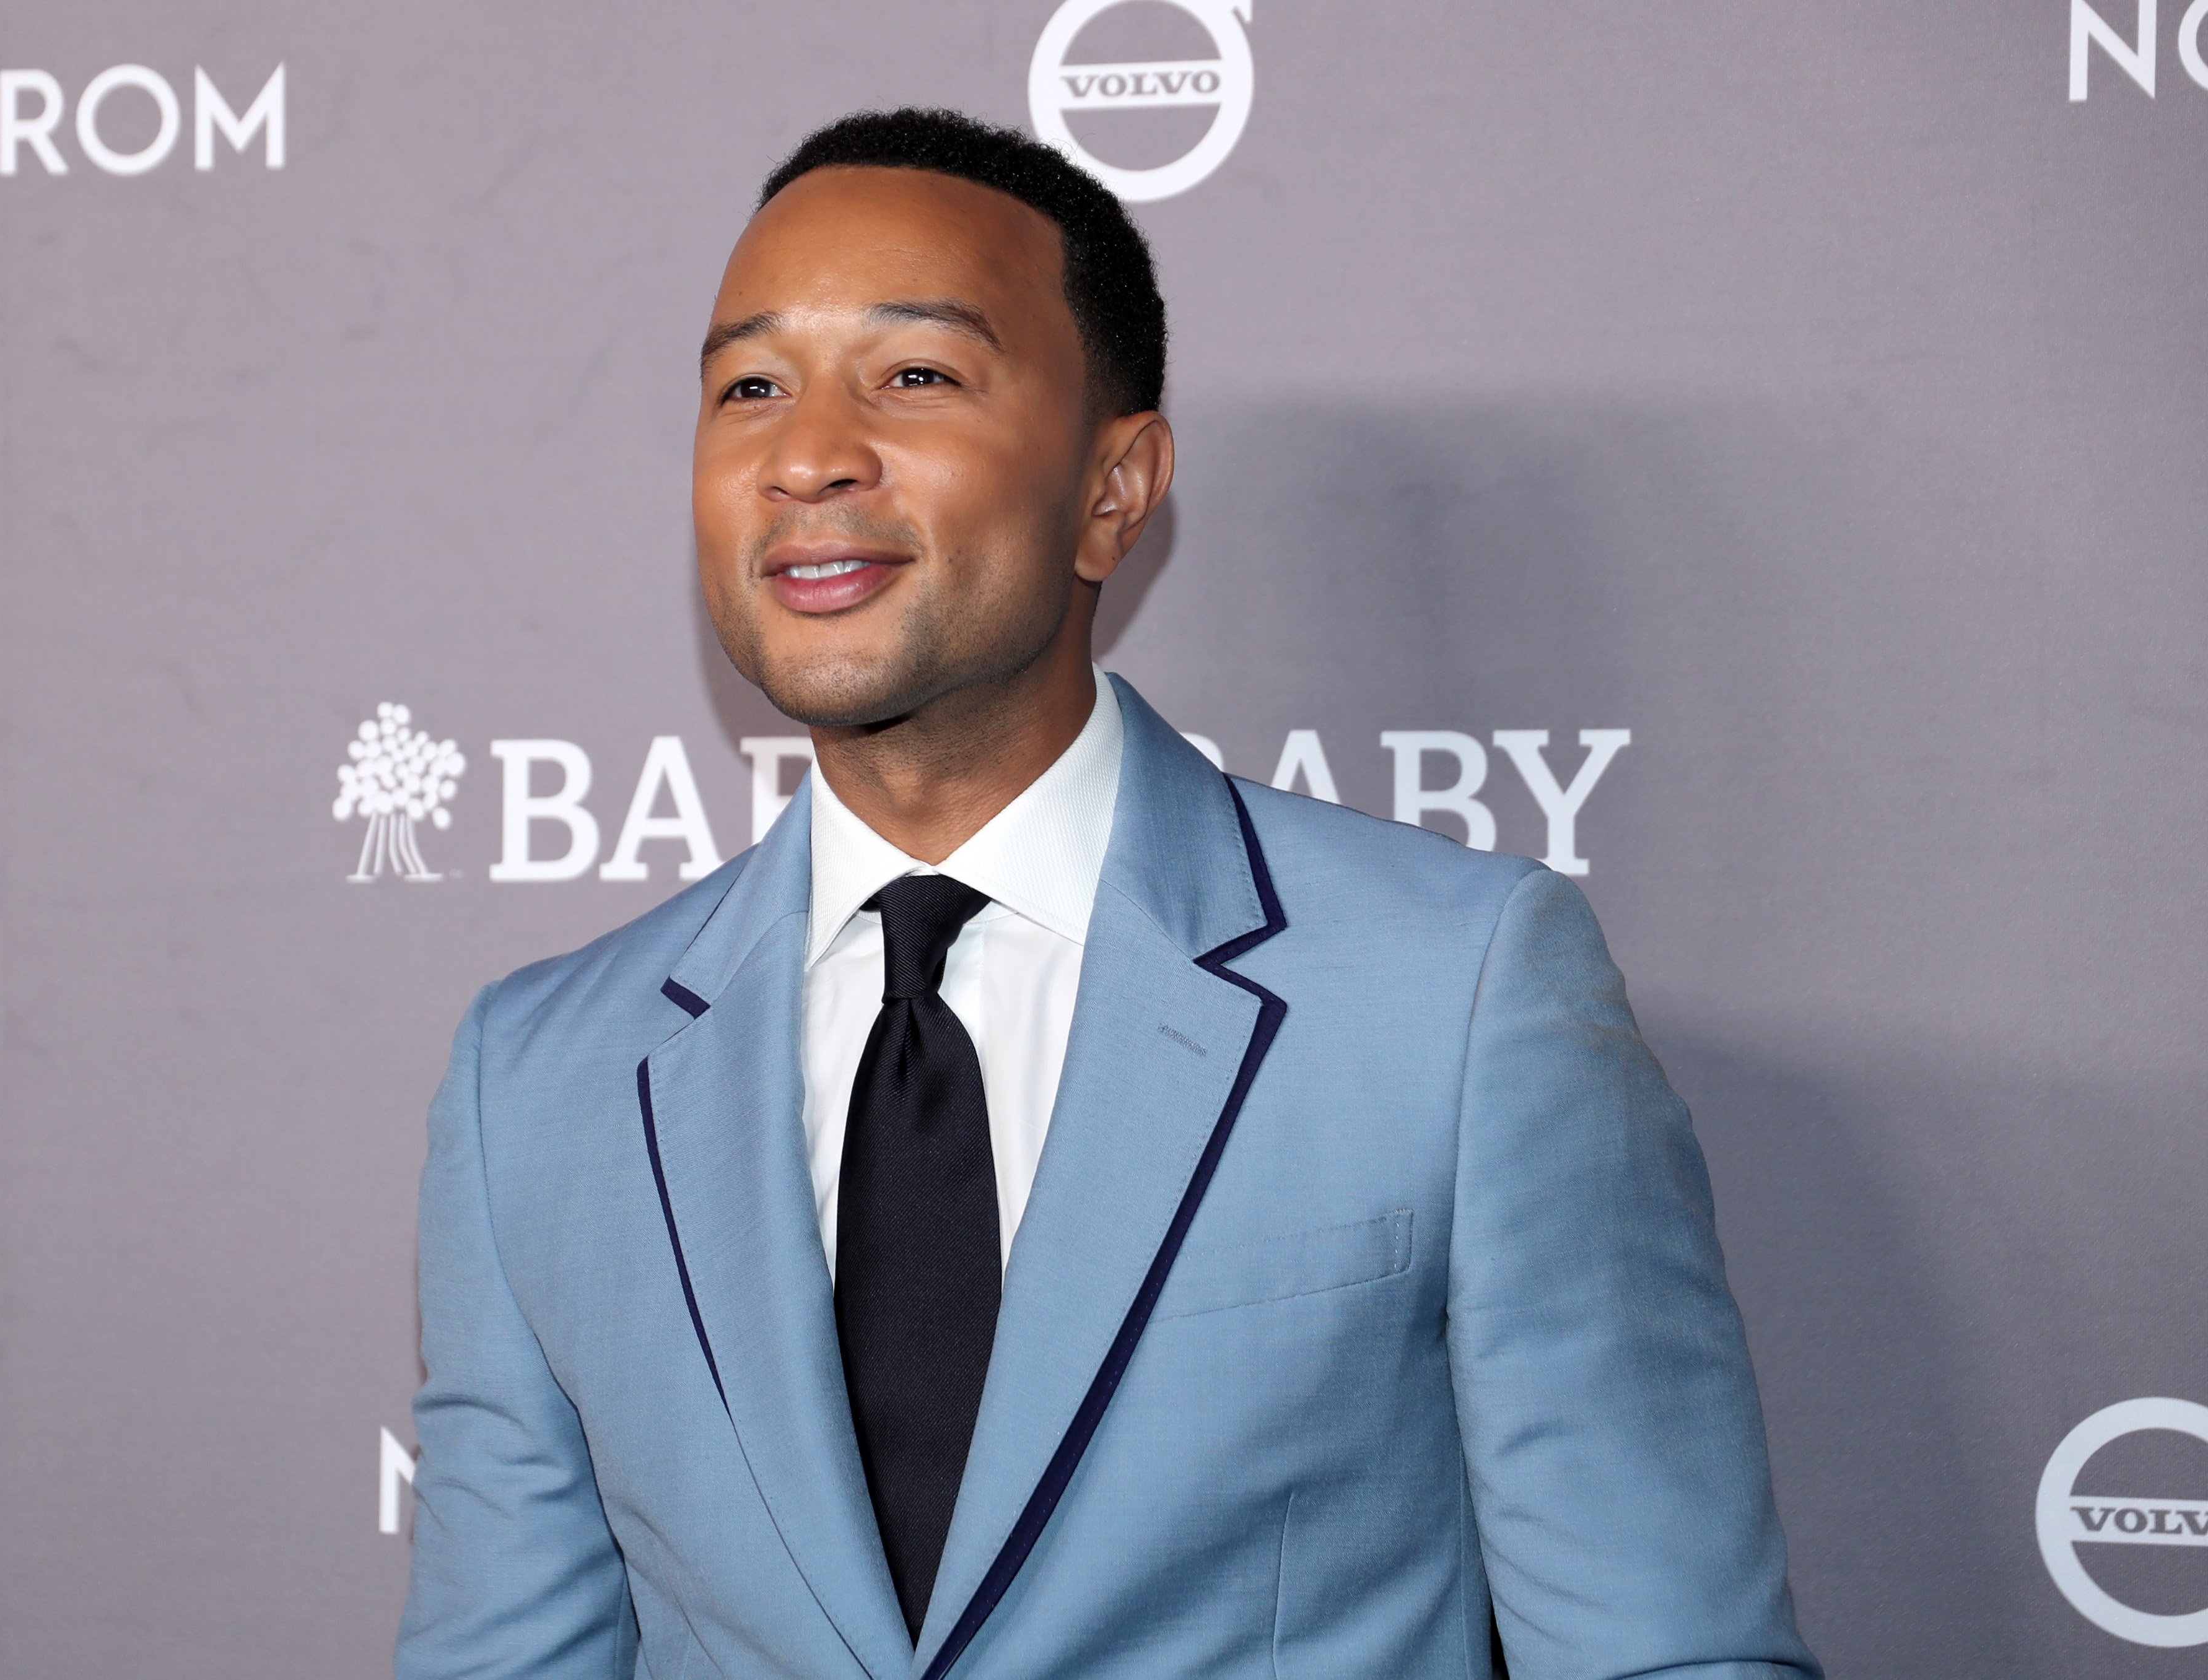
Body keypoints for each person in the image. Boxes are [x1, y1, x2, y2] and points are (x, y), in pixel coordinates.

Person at [396, 108, 1819, 1680]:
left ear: (1114, 489)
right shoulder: (537, 1079)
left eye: (914, 375)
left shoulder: (1457, 998)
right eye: (748, 386)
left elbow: (1661, 1653)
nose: (804, 454)